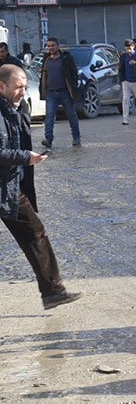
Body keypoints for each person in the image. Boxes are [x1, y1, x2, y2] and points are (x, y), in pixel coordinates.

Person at [0, 65, 82, 310]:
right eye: (18, 87)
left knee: (35, 234)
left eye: (25, 86)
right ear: (1, 86)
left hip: (10, 187)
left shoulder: (15, 109)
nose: (23, 92)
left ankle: (53, 292)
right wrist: (25, 157)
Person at [39, 38, 81, 148]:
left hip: (65, 92)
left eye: (53, 45)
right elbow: (43, 75)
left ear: (58, 46)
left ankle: (76, 137)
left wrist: (73, 86)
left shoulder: (66, 58)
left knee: (71, 115)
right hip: (51, 93)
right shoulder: (46, 59)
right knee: (49, 116)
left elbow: (74, 73)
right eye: (48, 46)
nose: (51, 48)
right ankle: (48, 139)